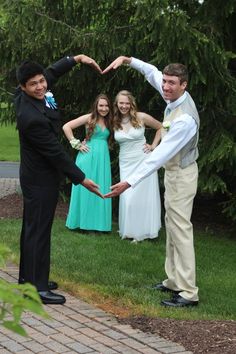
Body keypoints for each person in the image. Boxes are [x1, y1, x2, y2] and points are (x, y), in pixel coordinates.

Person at [103, 56, 200, 308]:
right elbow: (151, 72)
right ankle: (173, 281)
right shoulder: (171, 93)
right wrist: (127, 60)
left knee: (181, 228)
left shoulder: (185, 120)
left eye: (172, 83)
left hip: (182, 174)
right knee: (172, 224)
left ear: (184, 85)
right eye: (165, 82)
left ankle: (189, 292)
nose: (165, 87)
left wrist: (129, 182)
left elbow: (157, 156)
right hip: (173, 172)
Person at [15, 54, 103, 305]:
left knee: (33, 229)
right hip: (39, 180)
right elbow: (56, 153)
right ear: (23, 88)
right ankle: (37, 288)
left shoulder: (31, 95)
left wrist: (75, 59)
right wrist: (82, 179)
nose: (41, 86)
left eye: (41, 81)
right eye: (34, 84)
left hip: (37, 177)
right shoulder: (30, 118)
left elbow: (51, 72)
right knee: (39, 231)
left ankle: (28, 278)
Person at [113, 90, 162, 242]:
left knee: (142, 197)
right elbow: (97, 130)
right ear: (117, 104)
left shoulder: (141, 117)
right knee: (128, 196)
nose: (124, 106)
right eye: (121, 103)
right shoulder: (113, 121)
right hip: (126, 162)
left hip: (143, 160)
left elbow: (161, 127)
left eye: (127, 103)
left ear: (131, 104)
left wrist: (153, 146)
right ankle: (129, 230)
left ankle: (144, 232)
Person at [63, 94, 113, 232]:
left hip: (102, 158)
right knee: (85, 189)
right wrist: (76, 144)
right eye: (101, 105)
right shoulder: (89, 118)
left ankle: (98, 225)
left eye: (106, 105)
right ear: (96, 106)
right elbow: (66, 127)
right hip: (87, 157)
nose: (104, 108)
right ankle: (80, 223)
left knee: (101, 187)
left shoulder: (110, 120)